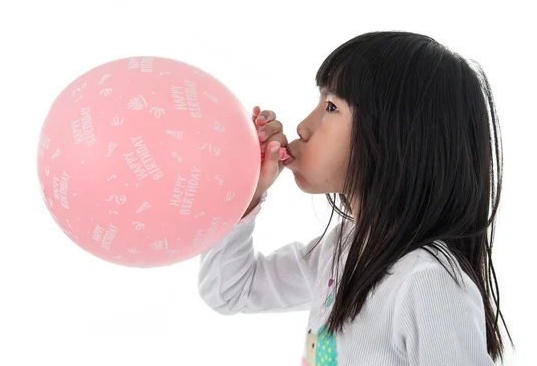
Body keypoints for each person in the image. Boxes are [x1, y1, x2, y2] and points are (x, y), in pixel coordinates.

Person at [197, 31, 514, 365]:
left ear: (397, 138)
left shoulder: (427, 282)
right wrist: (248, 191)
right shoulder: (340, 251)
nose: (303, 127)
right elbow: (228, 290)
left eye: (331, 107)